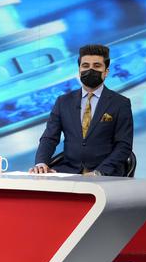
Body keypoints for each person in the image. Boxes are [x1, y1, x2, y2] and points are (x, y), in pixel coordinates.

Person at [29, 44, 133, 176]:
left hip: (106, 174)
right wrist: (41, 162)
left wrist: (99, 172)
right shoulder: (63, 102)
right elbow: (49, 138)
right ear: (79, 70)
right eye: (85, 66)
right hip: (69, 171)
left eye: (96, 66)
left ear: (106, 72)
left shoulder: (120, 103)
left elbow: (124, 146)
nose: (90, 70)